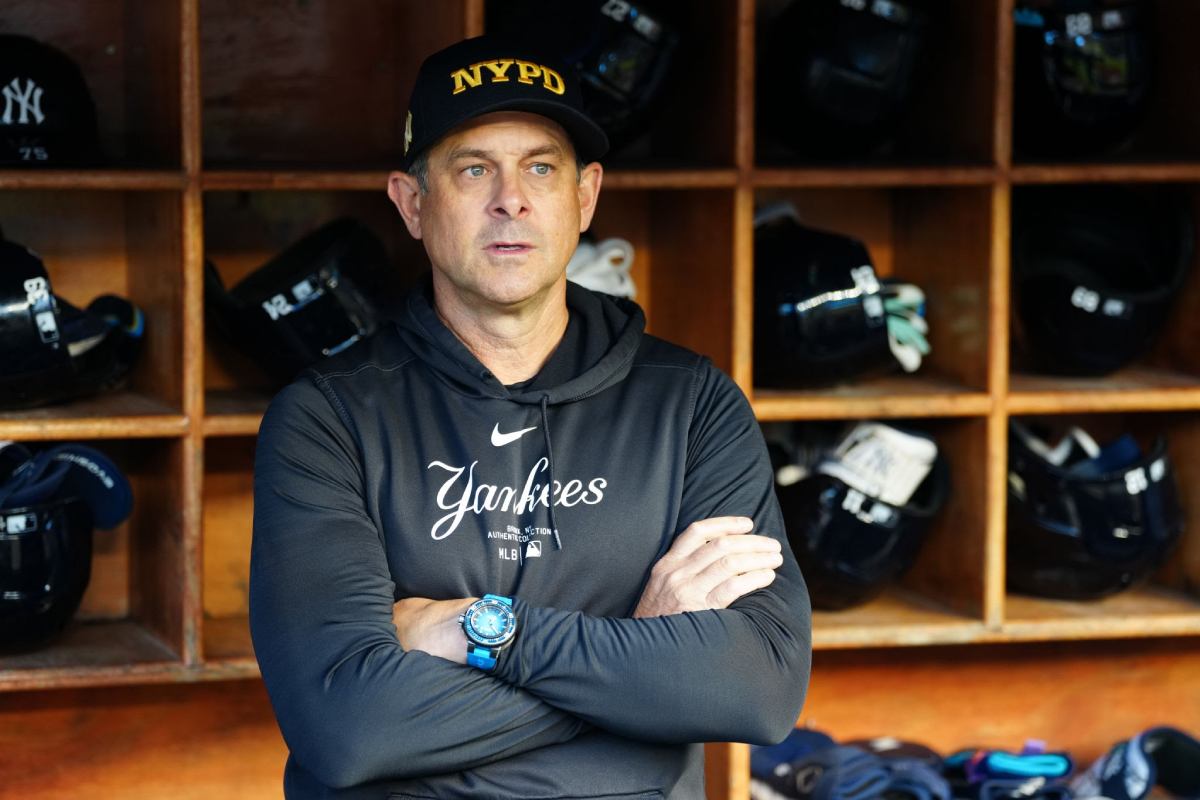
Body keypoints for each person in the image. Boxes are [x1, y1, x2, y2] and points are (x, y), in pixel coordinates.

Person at [249, 34, 812, 799]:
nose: (509, 198)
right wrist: (642, 653)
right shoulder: (328, 418)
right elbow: (350, 727)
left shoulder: (692, 404)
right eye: (474, 168)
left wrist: (480, 632)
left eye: (541, 167)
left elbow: (758, 690)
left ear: (584, 197)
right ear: (412, 204)